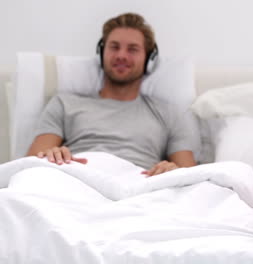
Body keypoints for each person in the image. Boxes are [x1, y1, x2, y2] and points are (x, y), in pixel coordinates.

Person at [27, 13, 200, 176]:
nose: (121, 55)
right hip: (78, 182)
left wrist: (173, 170)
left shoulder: (169, 114)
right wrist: (50, 155)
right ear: (102, 53)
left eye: (132, 49)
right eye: (114, 47)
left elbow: (191, 177)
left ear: (148, 59)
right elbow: (30, 165)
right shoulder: (64, 104)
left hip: (140, 190)